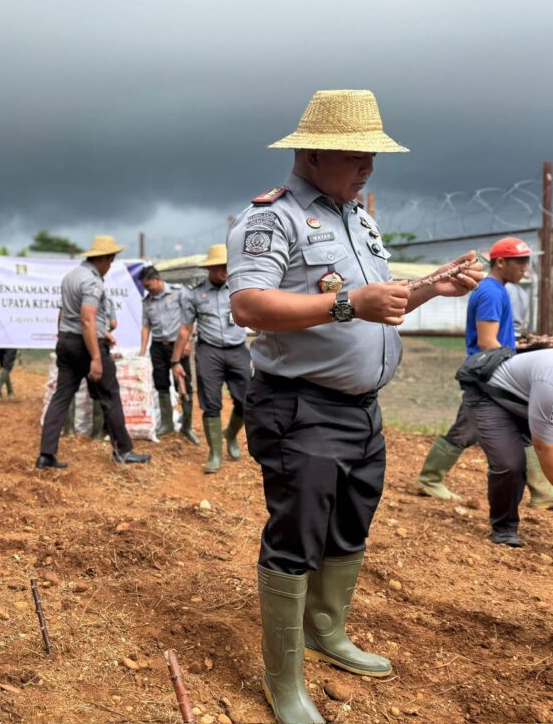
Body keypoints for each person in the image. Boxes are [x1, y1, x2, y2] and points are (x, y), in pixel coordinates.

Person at [227, 90, 482, 724]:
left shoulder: (358, 219)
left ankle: (325, 631)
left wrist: (432, 289)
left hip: (362, 410)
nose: (367, 167)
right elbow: (250, 306)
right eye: (353, 155)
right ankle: (284, 682)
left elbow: (379, 307)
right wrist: (348, 304)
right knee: (296, 538)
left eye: (372, 155)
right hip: (301, 408)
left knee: (350, 527)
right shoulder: (271, 219)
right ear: (312, 154)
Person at [415, 237, 553, 509]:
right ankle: (429, 479)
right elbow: (487, 342)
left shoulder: (498, 289)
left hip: (494, 375)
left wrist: (525, 346)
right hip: (487, 380)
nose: (525, 268)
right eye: (520, 262)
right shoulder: (491, 292)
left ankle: (543, 494)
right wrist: (521, 362)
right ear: (501, 262)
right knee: (464, 432)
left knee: (525, 430)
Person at [35, 236, 151, 468]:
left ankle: (46, 455)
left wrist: (70, 338)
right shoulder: (92, 282)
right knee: (110, 395)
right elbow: (87, 319)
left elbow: (64, 315)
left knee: (61, 398)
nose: (110, 266)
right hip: (87, 345)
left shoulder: (70, 277)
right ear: (103, 258)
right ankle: (124, 451)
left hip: (67, 340)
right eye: (110, 261)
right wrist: (96, 357)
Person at [460, 348, 553, 546]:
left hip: (525, 400)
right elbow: (544, 446)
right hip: (489, 396)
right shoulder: (549, 382)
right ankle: (504, 528)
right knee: (510, 463)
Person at [172, 246, 251, 471]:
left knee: (247, 401)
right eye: (219, 266)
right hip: (209, 351)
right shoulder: (195, 294)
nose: (224, 270)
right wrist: (175, 361)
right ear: (209, 268)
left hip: (237, 349)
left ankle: (231, 435)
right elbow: (185, 329)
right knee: (211, 403)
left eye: (227, 266)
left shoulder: (239, 289)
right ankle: (215, 454)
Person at [138, 265, 198, 445]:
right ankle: (166, 424)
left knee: (183, 384)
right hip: (157, 346)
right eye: (144, 286)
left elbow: (190, 318)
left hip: (178, 345)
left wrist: (188, 341)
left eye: (149, 285)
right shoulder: (147, 301)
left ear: (157, 279)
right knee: (161, 384)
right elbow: (146, 326)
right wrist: (142, 352)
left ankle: (187, 426)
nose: (147, 289)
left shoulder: (179, 292)